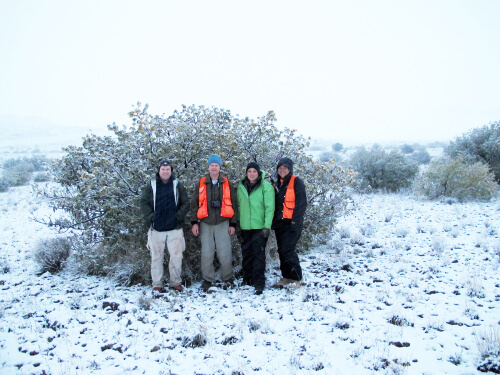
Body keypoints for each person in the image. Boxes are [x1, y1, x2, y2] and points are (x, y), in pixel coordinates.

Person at [140, 160, 189, 294]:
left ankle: (175, 283)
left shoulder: (177, 184)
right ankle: (157, 284)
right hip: (156, 228)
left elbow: (186, 203)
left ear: (171, 171)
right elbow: (143, 202)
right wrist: (151, 217)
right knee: (156, 257)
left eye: (168, 169)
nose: (165, 171)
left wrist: (178, 216)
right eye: (163, 169)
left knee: (176, 256)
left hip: (174, 228)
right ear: (159, 170)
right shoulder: (152, 185)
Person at [191, 154, 238, 291]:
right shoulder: (201, 183)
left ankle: (227, 278)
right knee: (207, 253)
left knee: (225, 252)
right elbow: (194, 204)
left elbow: (234, 204)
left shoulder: (227, 183)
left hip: (223, 221)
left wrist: (233, 224)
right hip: (205, 222)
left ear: (219, 167)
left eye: (216, 165)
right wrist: (194, 222)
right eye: (211, 165)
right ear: (208, 167)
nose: (214, 168)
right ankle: (208, 279)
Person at [237, 162, 275, 295]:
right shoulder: (241, 186)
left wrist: (267, 226)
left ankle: (259, 283)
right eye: (249, 171)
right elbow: (238, 205)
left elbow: (270, 208)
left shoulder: (266, 186)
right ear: (246, 173)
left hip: (260, 227)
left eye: (254, 171)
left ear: (258, 173)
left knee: (258, 255)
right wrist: (237, 225)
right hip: (245, 226)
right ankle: (247, 279)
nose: (252, 174)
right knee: (246, 253)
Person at [271, 157, 307, 288]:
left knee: (288, 250)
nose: (282, 170)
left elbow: (301, 204)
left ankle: (297, 278)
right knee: (281, 250)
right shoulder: (276, 183)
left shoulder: (297, 182)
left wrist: (295, 222)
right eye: (280, 168)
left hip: (292, 224)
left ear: (290, 169)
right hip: (280, 223)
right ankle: (286, 276)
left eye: (285, 168)